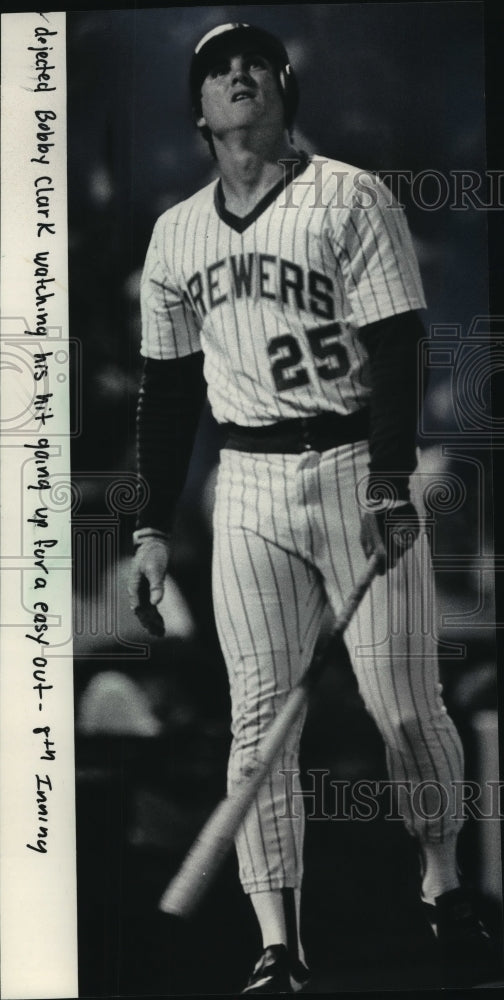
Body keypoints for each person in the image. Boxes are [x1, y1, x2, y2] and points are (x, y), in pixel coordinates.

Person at [128, 22, 497, 993]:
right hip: (244, 483)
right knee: (258, 726)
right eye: (215, 67)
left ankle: (444, 881)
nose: (236, 74)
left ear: (285, 88)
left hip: (351, 465)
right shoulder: (175, 234)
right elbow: (165, 395)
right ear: (197, 109)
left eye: (252, 61)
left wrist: (388, 481)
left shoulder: (350, 194)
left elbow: (397, 344)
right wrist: (152, 525)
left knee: (403, 703)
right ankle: (278, 946)